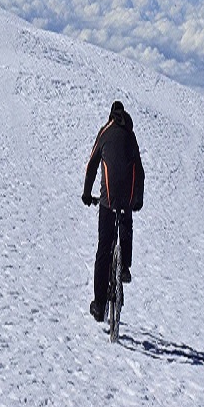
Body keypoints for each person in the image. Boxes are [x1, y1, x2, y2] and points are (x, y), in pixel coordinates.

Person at [82, 101, 144, 322]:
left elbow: (91, 165)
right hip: (126, 198)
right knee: (126, 221)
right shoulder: (131, 135)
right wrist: (137, 200)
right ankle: (124, 266)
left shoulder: (105, 131)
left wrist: (87, 195)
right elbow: (140, 171)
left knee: (103, 248)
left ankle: (99, 306)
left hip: (107, 199)